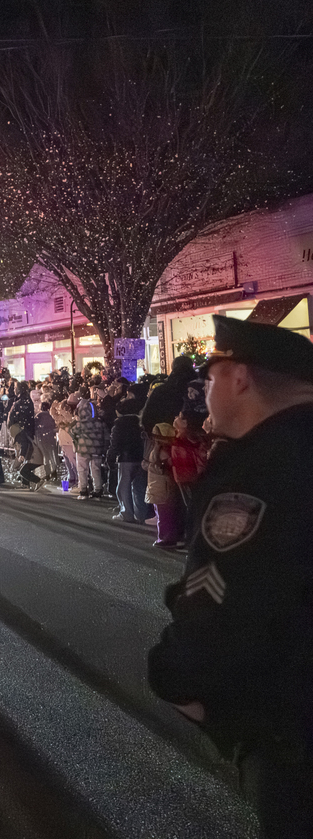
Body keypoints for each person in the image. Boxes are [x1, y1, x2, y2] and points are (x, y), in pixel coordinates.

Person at [148, 315, 313, 838]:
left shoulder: (255, 470)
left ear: (240, 377)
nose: (206, 391)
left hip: (291, 730)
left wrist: (176, 676)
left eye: (213, 376)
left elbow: (220, 600)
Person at [108, 395, 149, 522]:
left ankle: (126, 513)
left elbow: (115, 443)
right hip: (141, 456)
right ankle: (140, 513)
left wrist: (111, 457)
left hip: (126, 458)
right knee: (139, 487)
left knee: (123, 486)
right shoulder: (142, 422)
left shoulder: (119, 425)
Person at [70, 390, 109, 499]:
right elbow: (106, 435)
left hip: (83, 449)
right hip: (97, 449)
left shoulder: (80, 423)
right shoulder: (100, 422)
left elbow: (72, 431)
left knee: (82, 469)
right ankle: (98, 490)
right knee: (96, 469)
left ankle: (83, 490)